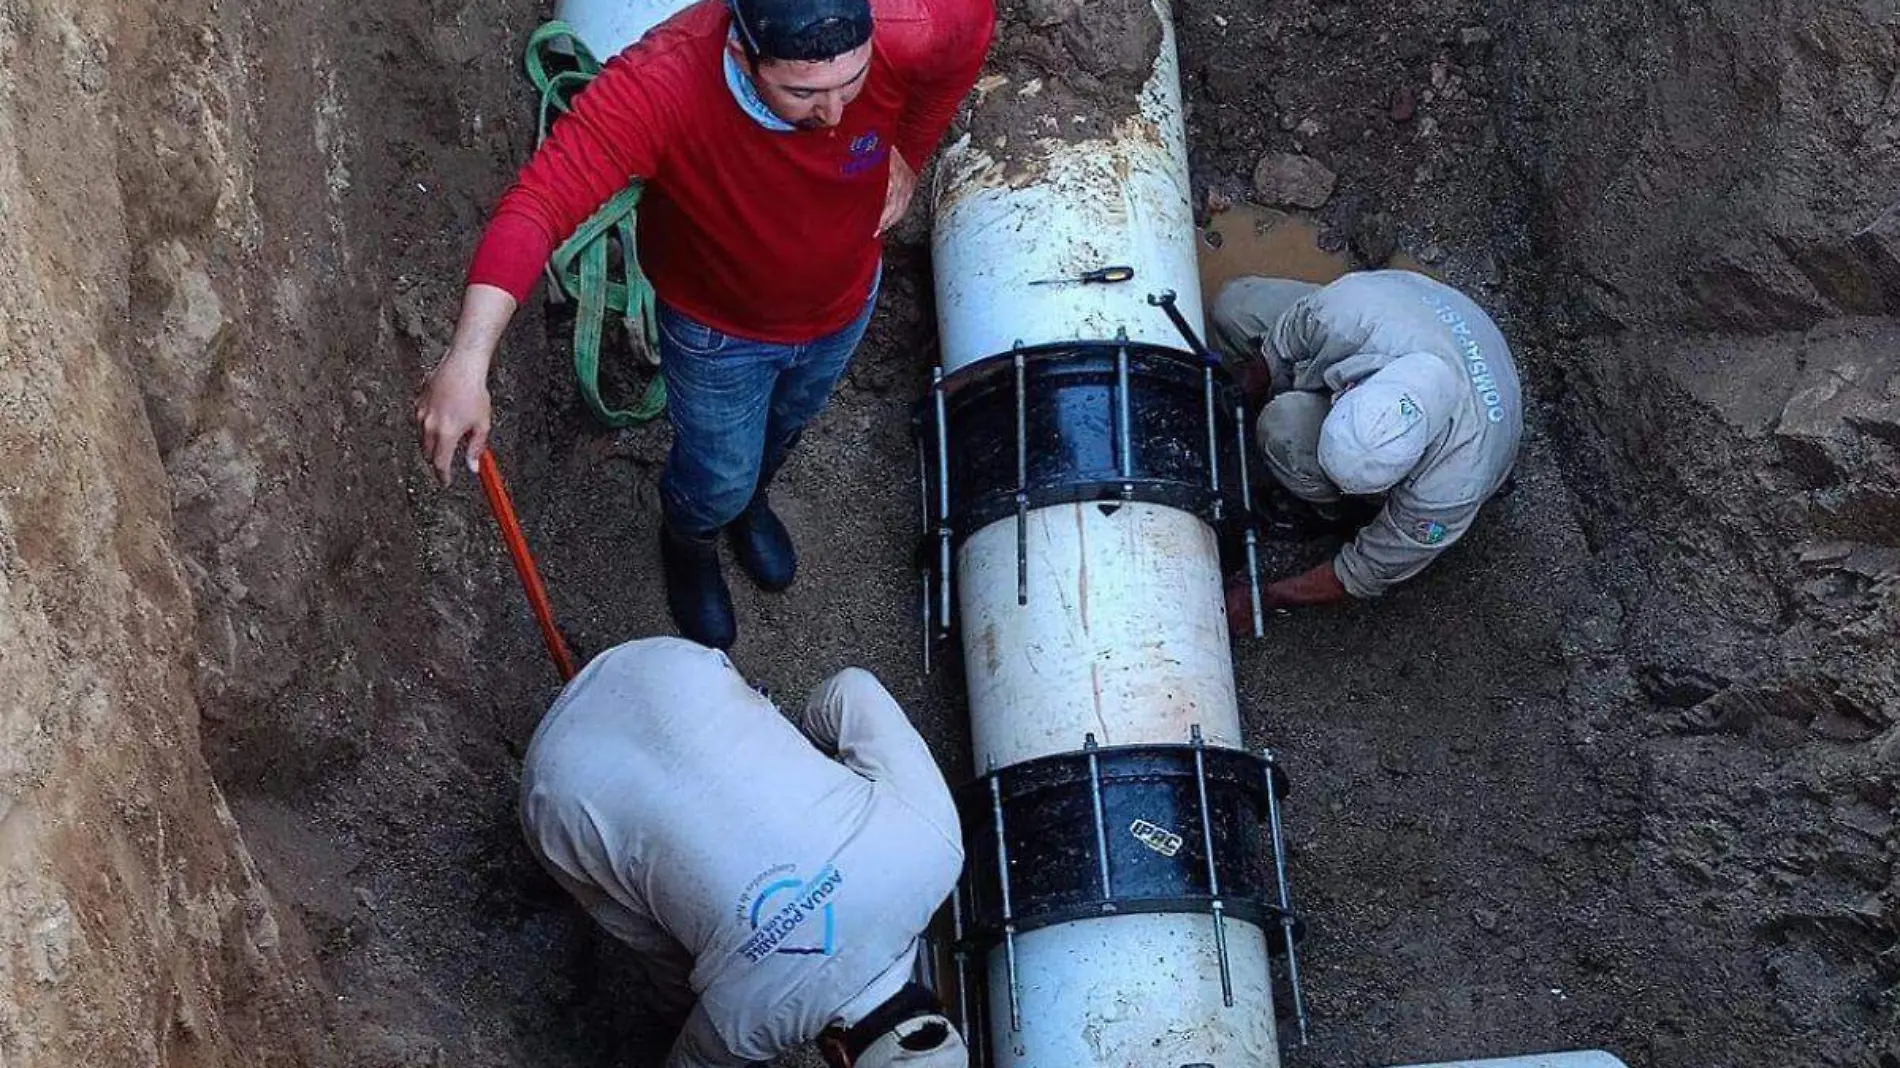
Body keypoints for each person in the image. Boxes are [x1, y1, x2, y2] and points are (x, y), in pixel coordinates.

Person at [415, 0, 994, 650]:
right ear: (742, 55)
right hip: (720, 334)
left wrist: (909, 152)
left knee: (788, 423)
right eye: (803, 93)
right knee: (717, 471)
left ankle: (751, 503)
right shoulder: (665, 84)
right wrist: (468, 360)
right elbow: (538, 204)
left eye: (851, 84)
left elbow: (964, 39)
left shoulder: (910, 24)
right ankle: (691, 537)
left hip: (845, 302)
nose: (833, 115)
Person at [520, 637, 968, 1068]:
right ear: (841, 1056)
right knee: (671, 958)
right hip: (555, 788)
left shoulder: (936, 848)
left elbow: (851, 689)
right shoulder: (740, 1028)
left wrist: (798, 743)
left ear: (939, 1005)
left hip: (657, 668)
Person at [1209, 270, 1523, 616]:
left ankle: (1330, 509)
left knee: (1282, 426)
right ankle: (1312, 453)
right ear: (1350, 388)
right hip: (1408, 310)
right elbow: (1276, 352)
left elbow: (1364, 571)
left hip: (1478, 396)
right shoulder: (1345, 316)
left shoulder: (1452, 485)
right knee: (1234, 309)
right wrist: (1229, 411)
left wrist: (1264, 597)